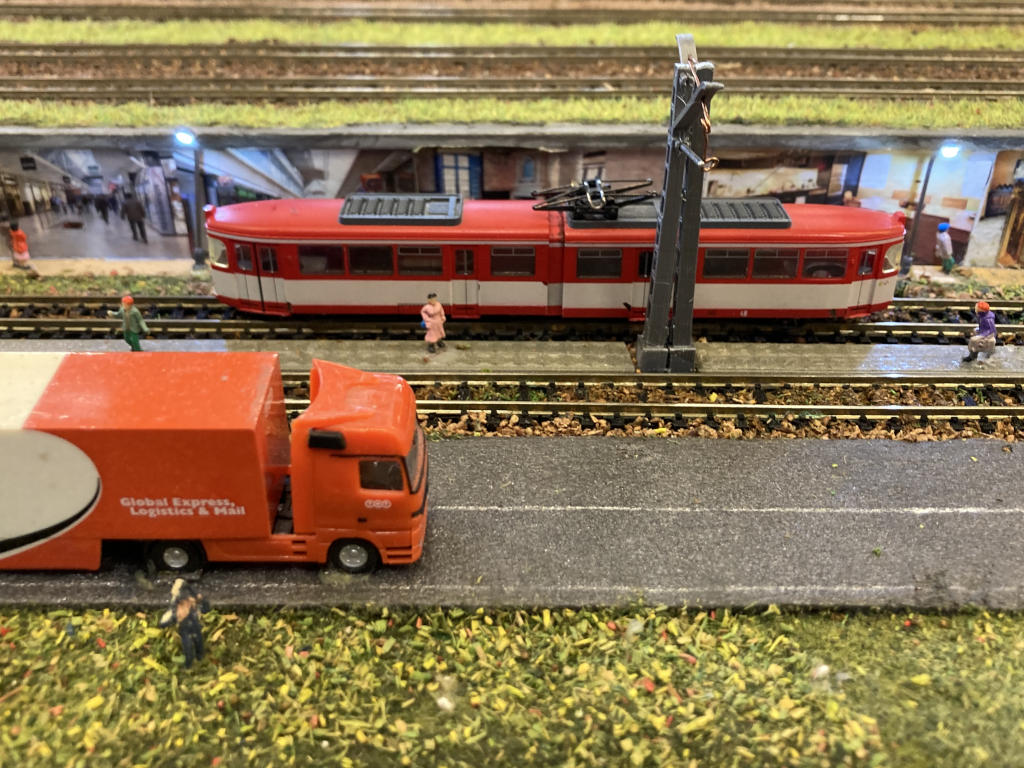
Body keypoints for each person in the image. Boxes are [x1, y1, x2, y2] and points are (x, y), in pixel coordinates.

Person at [158, 578, 210, 669]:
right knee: (188, 647)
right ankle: (188, 665)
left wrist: (200, 600)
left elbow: (205, 608)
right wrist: (164, 623)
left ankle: (200, 658)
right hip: (185, 629)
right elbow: (168, 617)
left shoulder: (192, 601)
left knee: (198, 643)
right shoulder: (176, 607)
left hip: (195, 626)